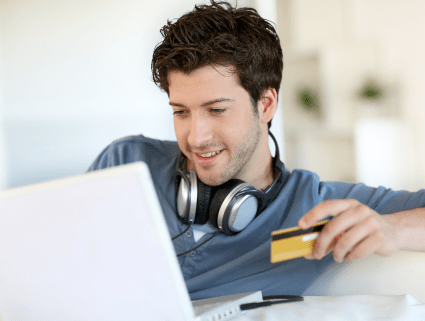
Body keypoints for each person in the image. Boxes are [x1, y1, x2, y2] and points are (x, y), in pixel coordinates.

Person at [88, 0, 425, 300]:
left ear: (265, 105)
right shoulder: (126, 162)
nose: (196, 137)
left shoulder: (311, 208)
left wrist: (395, 229)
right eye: (181, 112)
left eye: (217, 110)